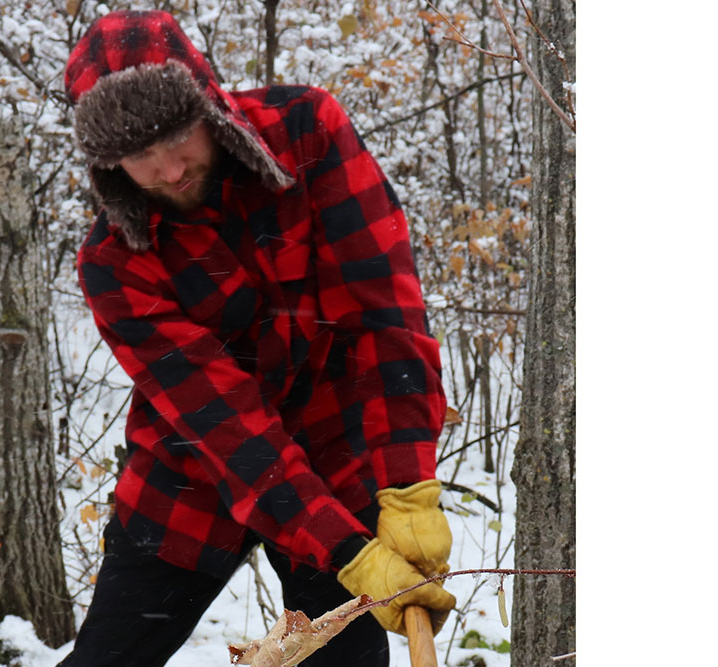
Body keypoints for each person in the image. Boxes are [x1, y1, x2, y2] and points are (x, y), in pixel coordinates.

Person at [58, 10, 455, 666]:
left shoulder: (308, 133)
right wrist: (348, 551)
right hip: (193, 473)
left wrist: (408, 482)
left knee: (345, 660)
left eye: (177, 133)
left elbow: (387, 314)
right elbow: (227, 427)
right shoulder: (113, 261)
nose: (168, 168)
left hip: (333, 456)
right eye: (137, 153)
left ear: (207, 106)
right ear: (110, 163)